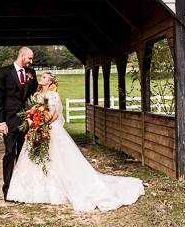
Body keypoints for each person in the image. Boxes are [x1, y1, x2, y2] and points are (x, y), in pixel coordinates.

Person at [8, 72, 145, 212]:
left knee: (55, 158)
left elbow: (57, 113)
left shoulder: (54, 95)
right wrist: (32, 121)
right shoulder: (36, 96)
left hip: (50, 128)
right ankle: (35, 188)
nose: (41, 79)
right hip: (36, 129)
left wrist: (46, 122)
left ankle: (58, 188)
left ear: (50, 82)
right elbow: (30, 111)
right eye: (41, 77)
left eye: (44, 77)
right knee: (35, 156)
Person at [0, 47, 38, 200]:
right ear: (21, 55)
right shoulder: (5, 72)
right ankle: (7, 189)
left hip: (27, 120)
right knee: (10, 152)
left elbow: (35, 95)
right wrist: (1, 122)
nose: (31, 62)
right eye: (29, 58)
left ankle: (21, 189)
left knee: (23, 155)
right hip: (9, 121)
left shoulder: (31, 73)